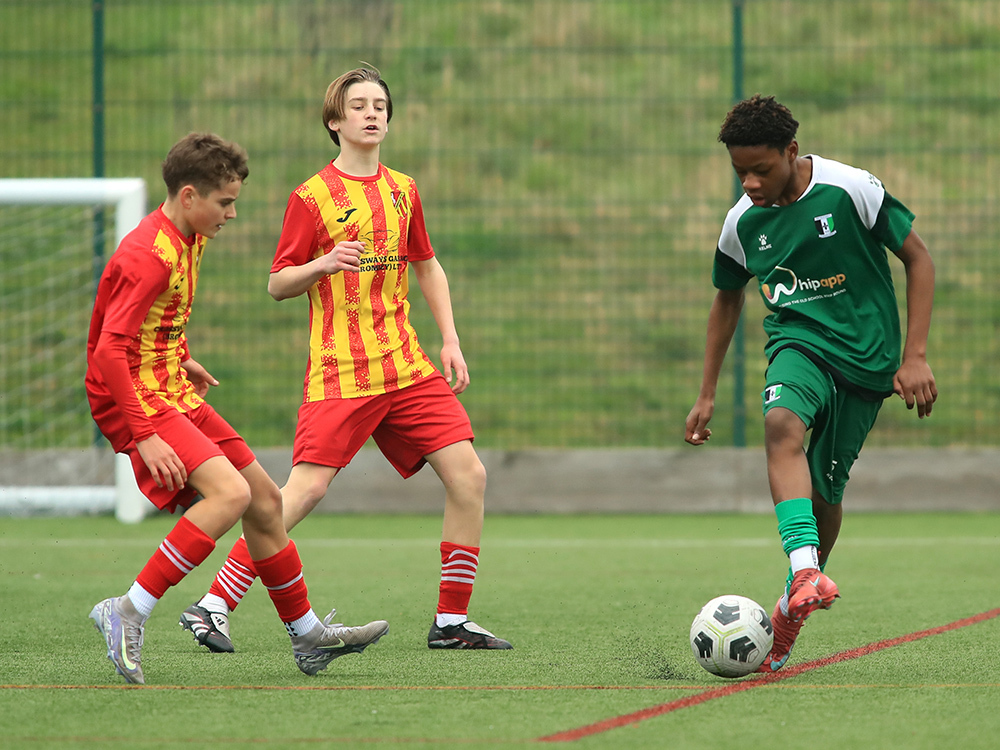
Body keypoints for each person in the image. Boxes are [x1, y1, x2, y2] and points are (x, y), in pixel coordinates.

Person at [179, 67, 511, 653]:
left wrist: (450, 338)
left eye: (379, 104)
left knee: (469, 475)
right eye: (357, 105)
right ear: (335, 122)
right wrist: (324, 263)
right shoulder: (311, 197)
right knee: (301, 493)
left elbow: (427, 265)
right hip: (342, 370)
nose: (371, 113)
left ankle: (451, 622)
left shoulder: (403, 189)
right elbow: (279, 283)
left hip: (406, 366)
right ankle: (212, 606)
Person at [86, 132, 389, 685]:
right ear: (187, 196)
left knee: (267, 501)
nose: (231, 213)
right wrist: (145, 434)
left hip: (167, 383)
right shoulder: (148, 255)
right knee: (231, 495)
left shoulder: (186, 236)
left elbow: (146, 323)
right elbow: (108, 348)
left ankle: (306, 634)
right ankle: (127, 609)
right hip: (139, 400)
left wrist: (182, 355)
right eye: (224, 203)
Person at [684, 95, 937, 672]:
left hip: (868, 360)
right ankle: (804, 572)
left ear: (791, 152)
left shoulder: (850, 189)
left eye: (761, 169)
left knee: (827, 493)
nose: (748, 183)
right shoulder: (742, 223)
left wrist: (914, 355)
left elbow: (918, 259)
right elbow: (727, 300)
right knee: (780, 424)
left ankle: (791, 608)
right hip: (797, 343)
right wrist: (706, 392)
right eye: (738, 171)